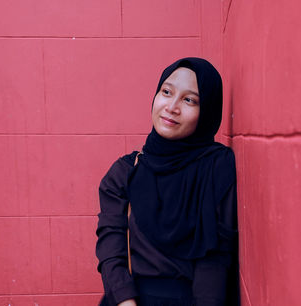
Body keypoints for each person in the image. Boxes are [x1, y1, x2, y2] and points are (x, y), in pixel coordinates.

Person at [96, 57, 239, 306]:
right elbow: (111, 253)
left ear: (207, 111)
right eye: (166, 92)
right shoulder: (124, 173)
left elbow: (215, 260)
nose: (172, 107)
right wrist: (125, 302)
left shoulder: (217, 167)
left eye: (189, 100)